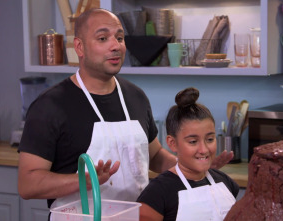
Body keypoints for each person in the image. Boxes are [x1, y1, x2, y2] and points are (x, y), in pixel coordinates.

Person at [17, 8, 233, 211]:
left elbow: (155, 156)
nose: (116, 46)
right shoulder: (50, 106)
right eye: (103, 39)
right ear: (79, 47)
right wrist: (83, 181)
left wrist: (190, 164)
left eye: (119, 38)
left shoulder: (135, 96)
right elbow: (28, 184)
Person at [137, 87, 239, 221]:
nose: (203, 149)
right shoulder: (156, 193)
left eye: (209, 139)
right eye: (193, 141)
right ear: (172, 143)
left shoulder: (225, 182)